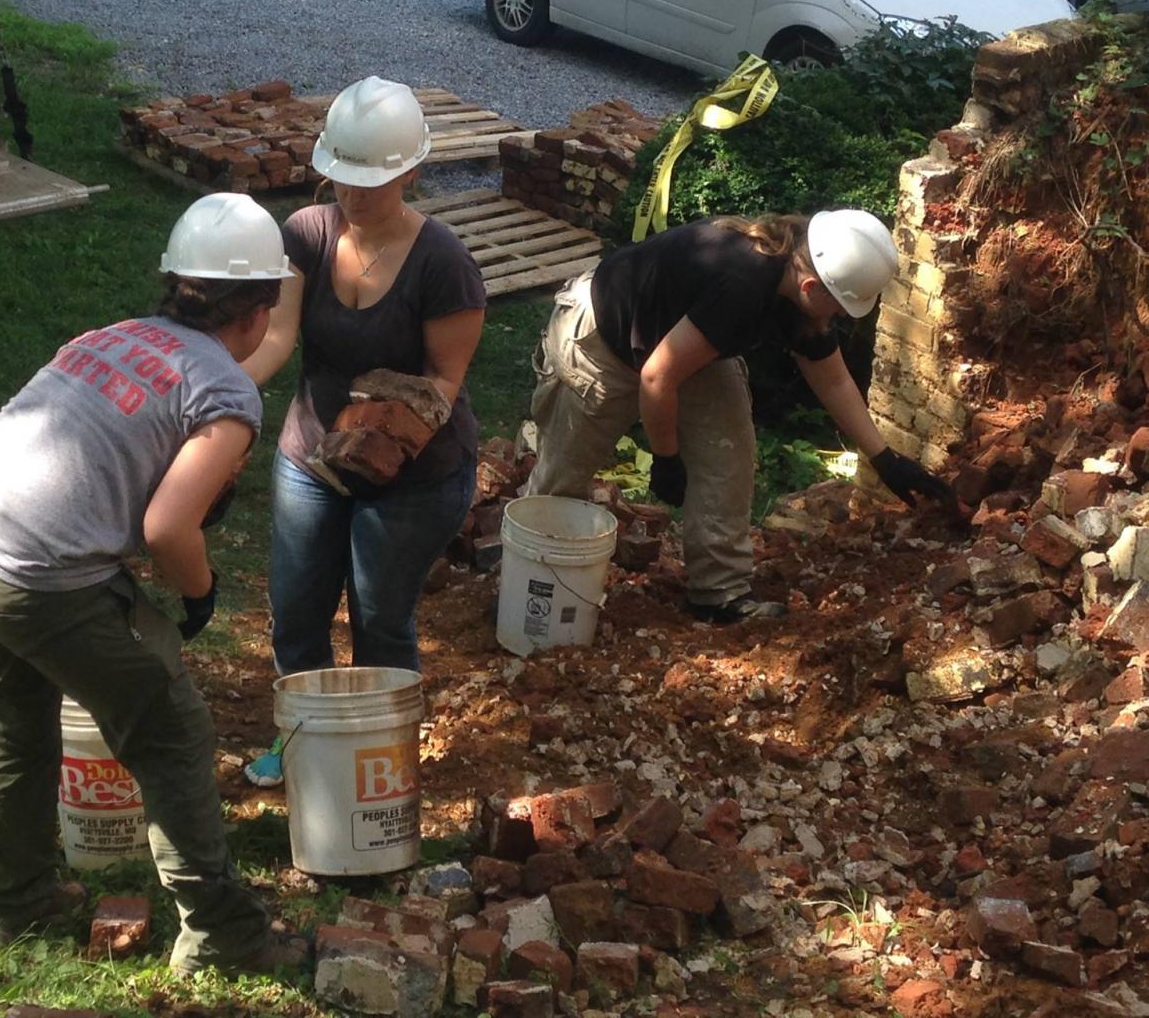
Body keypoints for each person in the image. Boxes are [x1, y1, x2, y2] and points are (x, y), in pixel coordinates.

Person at [0, 194, 287, 964]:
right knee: (170, 727)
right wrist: (200, 592)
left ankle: (15, 906)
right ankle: (223, 935)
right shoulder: (227, 393)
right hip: (33, 573)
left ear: (175, 286)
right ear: (258, 312)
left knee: (17, 719)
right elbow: (167, 530)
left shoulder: (111, 336)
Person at [524, 209, 951, 624]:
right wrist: (667, 457)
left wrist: (884, 459)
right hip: (605, 333)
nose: (839, 316)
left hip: (688, 341)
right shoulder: (742, 283)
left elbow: (833, 380)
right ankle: (524, 569)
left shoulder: (797, 280)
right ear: (809, 286)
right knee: (565, 472)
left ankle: (719, 594)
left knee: (728, 458)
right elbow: (656, 379)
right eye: (839, 306)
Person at [240, 76, 486, 786]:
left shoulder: (444, 264)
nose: (350, 195)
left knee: (379, 621)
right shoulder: (306, 236)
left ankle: (382, 764)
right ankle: (303, 751)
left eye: (369, 182)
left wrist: (379, 421)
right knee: (295, 612)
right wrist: (222, 394)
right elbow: (279, 336)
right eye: (340, 177)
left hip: (415, 474)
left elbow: (446, 379)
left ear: (412, 172)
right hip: (311, 456)